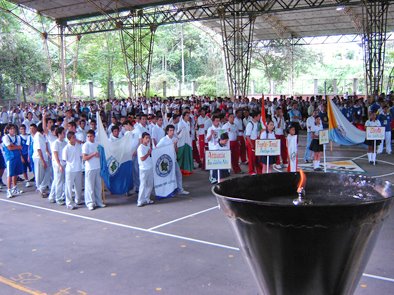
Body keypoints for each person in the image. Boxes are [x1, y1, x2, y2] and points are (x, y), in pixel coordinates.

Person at [156, 124, 189, 195]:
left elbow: (176, 151)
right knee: (169, 177)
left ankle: (180, 189)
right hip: (167, 162)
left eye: (173, 130)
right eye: (170, 130)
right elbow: (157, 148)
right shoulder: (163, 140)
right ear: (167, 132)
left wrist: (175, 145)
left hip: (174, 160)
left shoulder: (174, 139)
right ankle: (170, 191)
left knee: (179, 174)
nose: (172, 132)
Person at [82, 130, 106, 210]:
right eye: (88, 136)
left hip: (97, 167)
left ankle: (99, 201)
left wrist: (99, 155)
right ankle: (90, 203)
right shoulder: (85, 145)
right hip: (90, 168)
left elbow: (101, 155)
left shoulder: (97, 144)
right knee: (90, 187)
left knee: (98, 186)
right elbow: (84, 158)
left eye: (91, 136)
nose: (89, 138)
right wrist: (93, 154)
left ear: (94, 136)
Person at [62, 131, 83, 210]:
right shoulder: (66, 148)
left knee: (78, 186)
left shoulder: (78, 146)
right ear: (69, 139)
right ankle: (69, 203)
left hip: (78, 168)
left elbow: (81, 156)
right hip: (70, 169)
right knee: (69, 187)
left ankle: (78, 200)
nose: (75, 139)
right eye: (73, 137)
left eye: (75, 137)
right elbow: (64, 160)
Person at [2, 124, 24, 198]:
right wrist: (16, 147)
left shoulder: (17, 137)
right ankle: (8, 190)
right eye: (11, 129)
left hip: (17, 157)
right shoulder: (5, 137)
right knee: (10, 174)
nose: (12, 130)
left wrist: (14, 147)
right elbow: (9, 148)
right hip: (10, 158)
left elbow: (19, 147)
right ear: (8, 130)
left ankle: (14, 187)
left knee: (15, 173)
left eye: (13, 129)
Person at [48, 126, 67, 205]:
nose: (64, 134)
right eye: (63, 133)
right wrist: (59, 165)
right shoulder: (55, 143)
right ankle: (58, 198)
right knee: (59, 181)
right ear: (59, 134)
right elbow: (55, 156)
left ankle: (52, 196)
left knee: (57, 180)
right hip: (57, 164)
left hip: (64, 163)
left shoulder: (65, 142)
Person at [33, 123, 51, 197]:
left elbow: (45, 148)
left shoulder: (43, 136)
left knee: (48, 172)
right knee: (40, 175)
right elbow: (38, 149)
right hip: (39, 158)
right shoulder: (37, 136)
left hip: (44, 157)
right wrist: (42, 160)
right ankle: (40, 189)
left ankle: (42, 188)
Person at [136, 132, 155, 207]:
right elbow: (142, 158)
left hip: (150, 167)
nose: (148, 139)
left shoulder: (148, 146)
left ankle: (147, 198)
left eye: (148, 138)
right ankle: (140, 201)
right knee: (143, 185)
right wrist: (148, 153)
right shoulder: (140, 148)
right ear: (142, 139)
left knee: (150, 184)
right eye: (146, 138)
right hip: (143, 169)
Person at [176, 111, 193, 176]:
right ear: (183, 116)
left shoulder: (188, 123)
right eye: (187, 116)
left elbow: (188, 132)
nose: (188, 117)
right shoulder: (180, 123)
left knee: (186, 156)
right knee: (181, 156)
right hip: (182, 142)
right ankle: (179, 170)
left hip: (187, 141)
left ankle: (186, 170)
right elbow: (178, 133)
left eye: (188, 116)